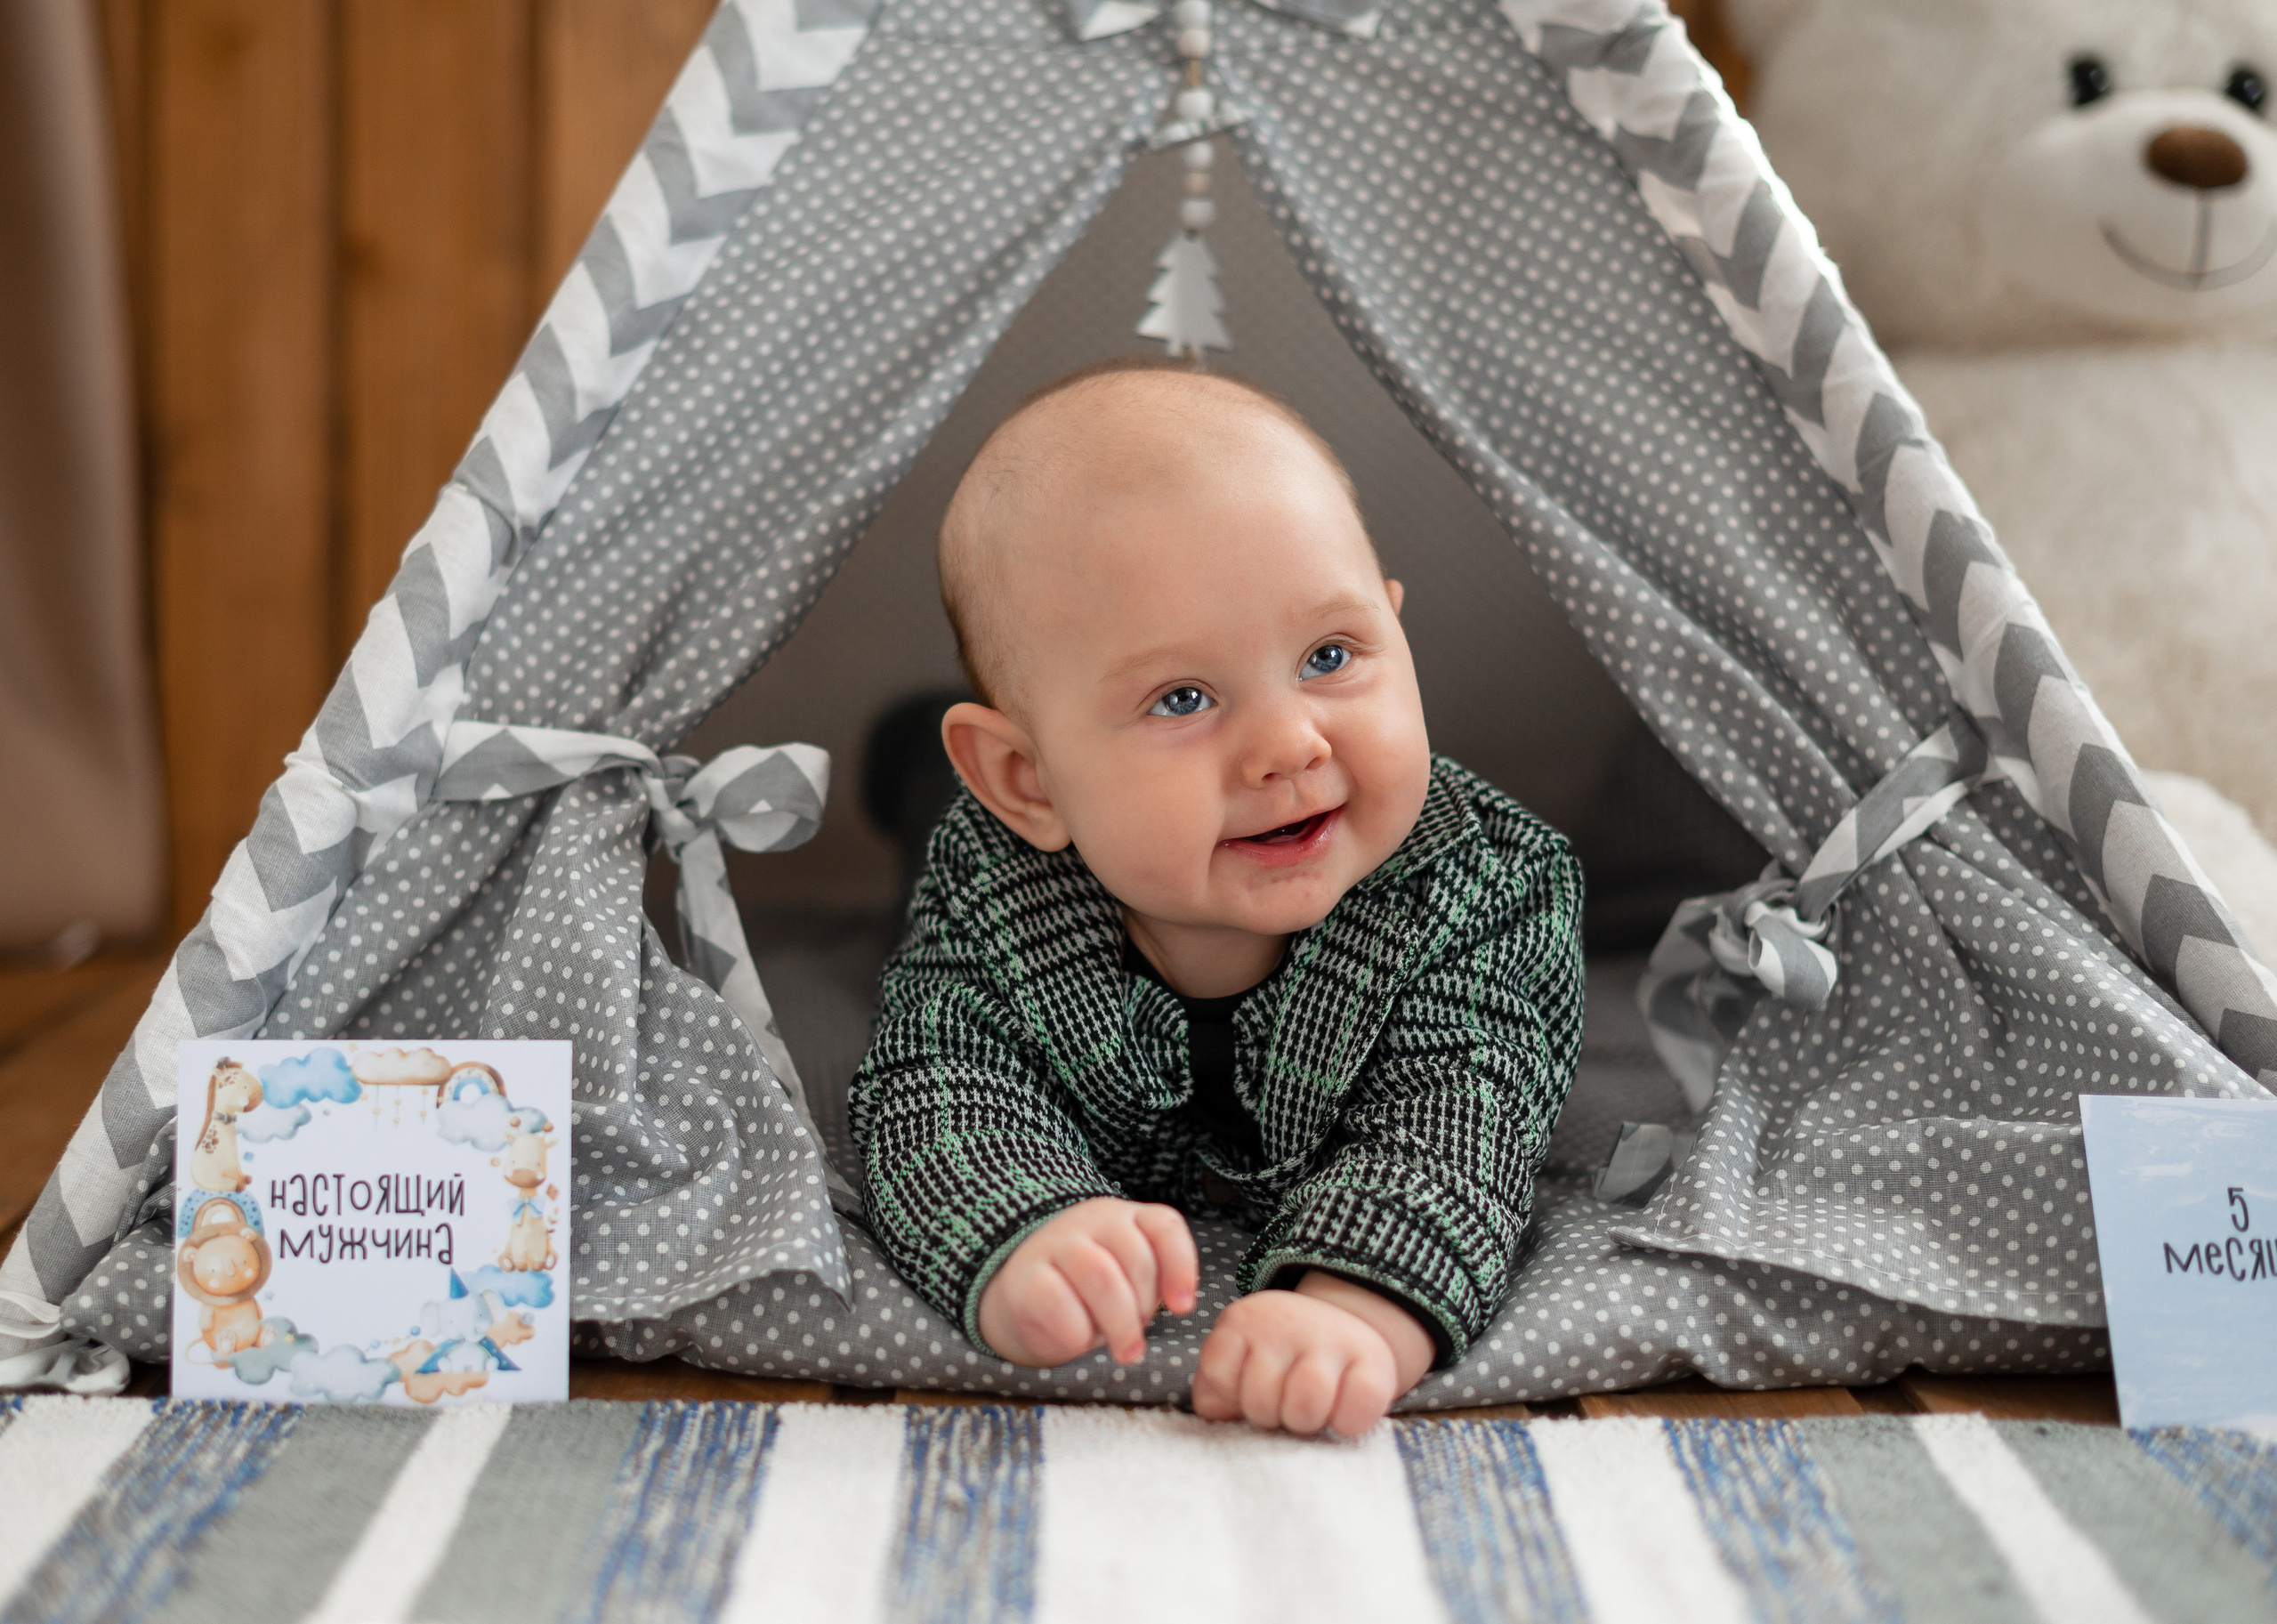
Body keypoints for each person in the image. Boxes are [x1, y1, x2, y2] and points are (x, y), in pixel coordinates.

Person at [847, 358, 1584, 1437]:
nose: (1290, 744)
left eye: (1332, 655)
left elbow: (1460, 1117)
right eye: (1182, 697)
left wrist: (1356, 1307)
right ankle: (915, 755)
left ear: (1397, 631)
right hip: (1016, 842)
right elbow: (936, 1083)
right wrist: (1029, 1232)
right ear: (1026, 777)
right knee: (919, 797)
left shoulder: (1487, 887)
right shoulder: (994, 882)